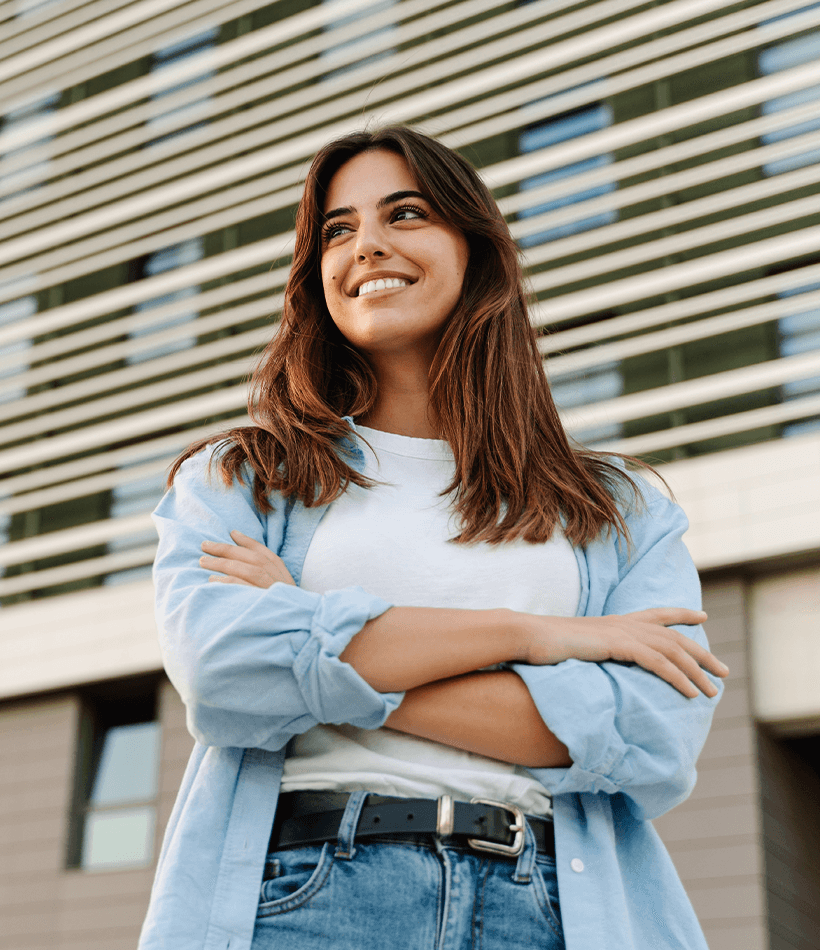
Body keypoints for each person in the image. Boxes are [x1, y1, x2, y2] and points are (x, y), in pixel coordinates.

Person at [137, 126, 728, 950]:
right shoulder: (243, 476)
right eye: (337, 230)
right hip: (313, 895)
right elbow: (223, 671)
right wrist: (543, 637)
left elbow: (649, 737)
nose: (367, 245)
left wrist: (313, 634)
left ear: (473, 246)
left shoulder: (616, 507)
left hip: (549, 907)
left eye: (405, 213)